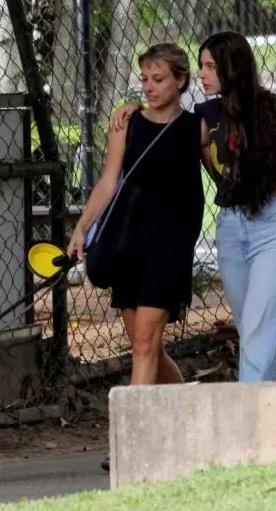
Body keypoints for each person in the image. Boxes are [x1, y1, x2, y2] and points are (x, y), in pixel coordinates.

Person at [110, 31, 276, 382]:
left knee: (259, 335)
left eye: (210, 66)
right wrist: (135, 108)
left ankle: (245, 422)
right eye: (200, 66)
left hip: (273, 225)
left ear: (234, 67)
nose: (202, 74)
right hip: (230, 228)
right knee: (260, 331)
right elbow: (167, 129)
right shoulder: (205, 116)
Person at [68, 43, 204, 392]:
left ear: (181, 81)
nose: (148, 86)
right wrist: (81, 228)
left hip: (170, 245)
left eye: (158, 79)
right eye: (144, 79)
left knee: (144, 345)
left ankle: (132, 441)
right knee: (149, 349)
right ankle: (187, 410)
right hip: (128, 244)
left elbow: (228, 171)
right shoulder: (126, 123)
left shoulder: (199, 128)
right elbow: (108, 181)